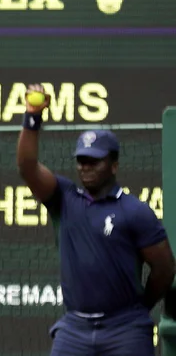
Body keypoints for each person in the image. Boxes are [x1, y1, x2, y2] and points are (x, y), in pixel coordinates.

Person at [16, 83, 175, 355]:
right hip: (74, 329)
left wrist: (139, 306)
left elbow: (164, 269)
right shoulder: (64, 199)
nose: (85, 166)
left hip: (125, 329)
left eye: (94, 160)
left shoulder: (135, 211)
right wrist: (33, 116)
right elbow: (27, 167)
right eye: (81, 160)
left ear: (114, 165)